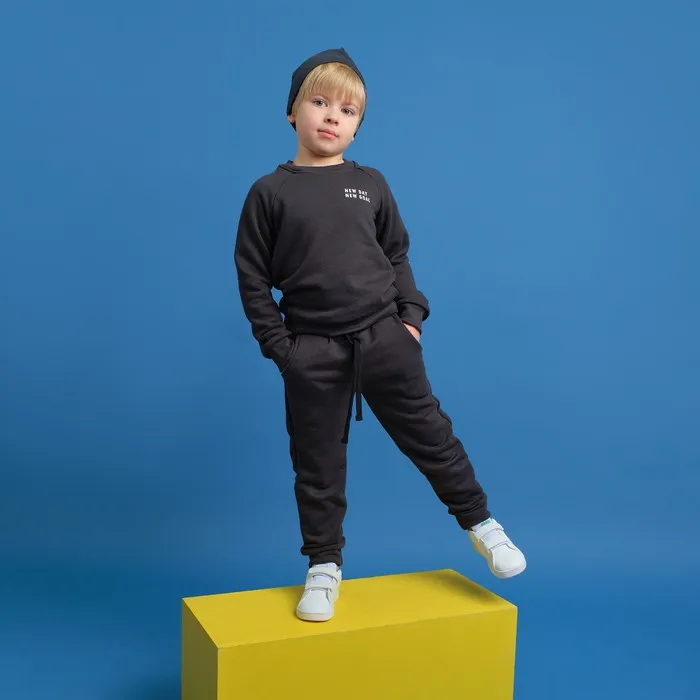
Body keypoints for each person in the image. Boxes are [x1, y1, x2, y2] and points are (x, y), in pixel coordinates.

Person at [234, 48, 526, 623]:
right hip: (312, 351)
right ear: (293, 111)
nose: (332, 116)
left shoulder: (370, 184)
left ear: (357, 125)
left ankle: (482, 525)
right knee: (317, 463)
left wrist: (410, 319)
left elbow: (396, 254)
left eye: (347, 111)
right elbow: (251, 279)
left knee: (433, 437)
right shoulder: (270, 192)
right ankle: (323, 566)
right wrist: (284, 351)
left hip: (384, 339)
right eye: (319, 102)